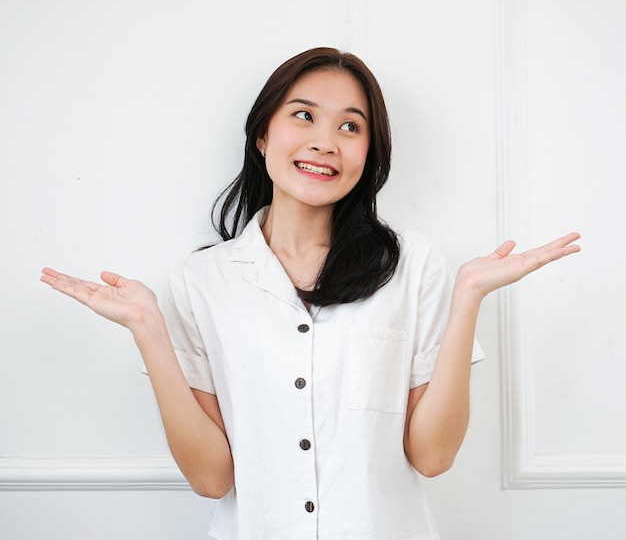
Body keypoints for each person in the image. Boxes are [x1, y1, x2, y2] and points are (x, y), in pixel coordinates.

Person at [41, 47, 580, 539]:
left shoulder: (414, 267)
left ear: (370, 152)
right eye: (304, 115)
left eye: (351, 126)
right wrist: (149, 331)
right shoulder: (199, 283)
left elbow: (433, 456)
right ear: (262, 135)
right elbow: (211, 478)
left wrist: (468, 298)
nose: (325, 141)